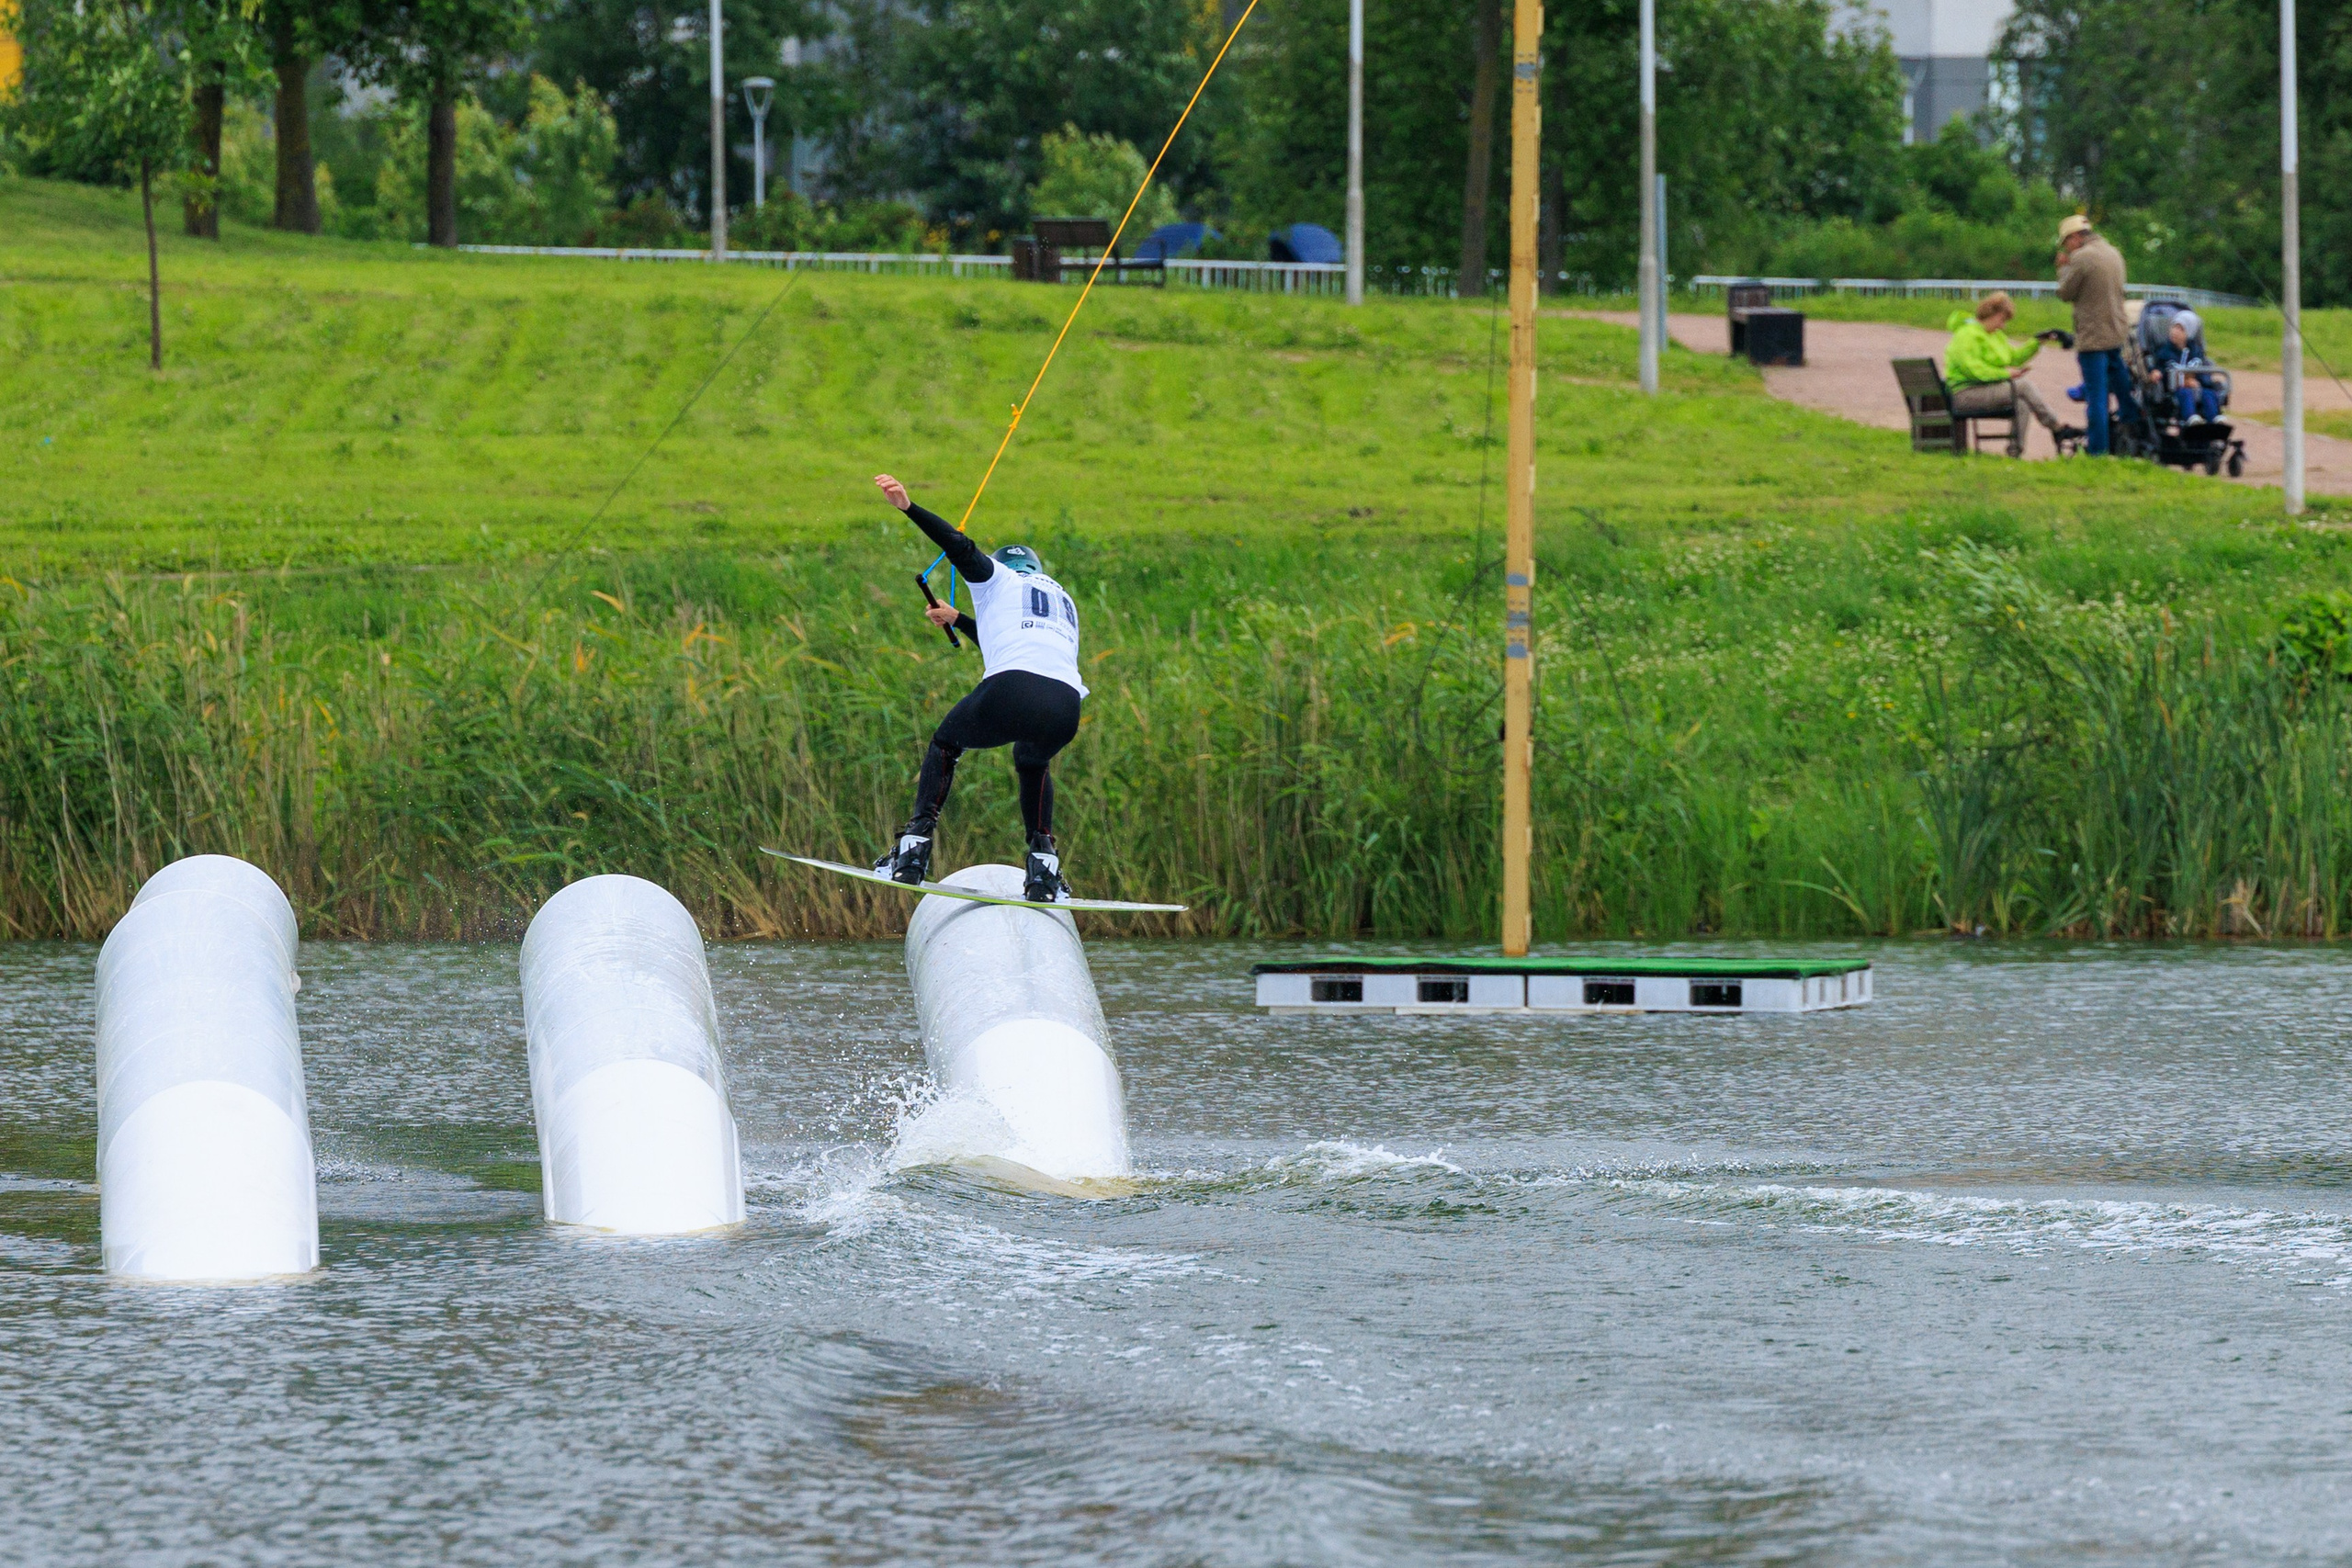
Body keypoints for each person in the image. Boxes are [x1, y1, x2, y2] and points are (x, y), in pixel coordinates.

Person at [868, 473, 1087, 903]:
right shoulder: (1061, 599)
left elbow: (959, 545)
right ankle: (1043, 869)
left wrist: (909, 507)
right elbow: (1010, 636)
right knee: (1032, 760)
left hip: (1012, 687)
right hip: (1065, 705)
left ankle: (913, 849)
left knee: (946, 744)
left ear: (1001, 565)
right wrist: (957, 619)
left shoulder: (999, 578)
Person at [1942, 291, 2081, 457]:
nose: (2003, 326)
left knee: (2022, 404)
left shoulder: (1995, 335)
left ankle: (2014, 453)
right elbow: (1973, 370)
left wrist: (2038, 341)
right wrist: (2004, 374)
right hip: (1965, 393)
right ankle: (2056, 427)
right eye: (2002, 320)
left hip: (1983, 390)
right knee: (2023, 386)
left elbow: (2014, 358)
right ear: (1992, 314)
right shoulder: (1966, 335)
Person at [2054, 215, 2140, 455]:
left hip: (2093, 337)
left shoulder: (2082, 258)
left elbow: (2065, 292)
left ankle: (2098, 450)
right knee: (2122, 388)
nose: (2067, 248)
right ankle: (2133, 428)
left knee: (2097, 397)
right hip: (2116, 332)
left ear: (2075, 237)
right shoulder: (2113, 253)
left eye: (2066, 243)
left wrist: (2063, 268)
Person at [2150, 309, 2222, 423]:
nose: (2175, 331)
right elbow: (2160, 367)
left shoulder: (2196, 352)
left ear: (2189, 333)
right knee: (2185, 394)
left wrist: (2200, 382)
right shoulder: (2164, 352)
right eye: (2174, 327)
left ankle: (2215, 419)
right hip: (2175, 388)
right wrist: (2156, 372)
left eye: (2181, 329)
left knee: (2209, 394)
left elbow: (2203, 370)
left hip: (2196, 386)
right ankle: (2191, 418)